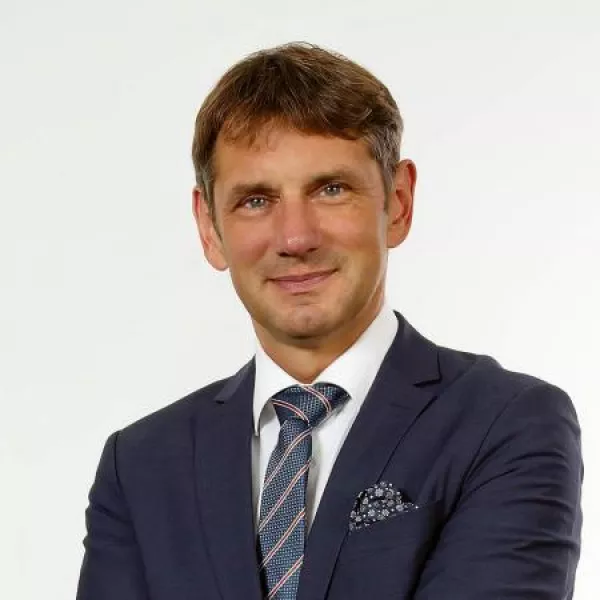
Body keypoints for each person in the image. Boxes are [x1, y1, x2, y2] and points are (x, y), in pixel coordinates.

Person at [76, 42, 582, 600]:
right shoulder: (140, 466)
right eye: (255, 200)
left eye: (331, 190)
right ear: (209, 228)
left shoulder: (507, 425)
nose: (296, 237)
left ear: (398, 202)